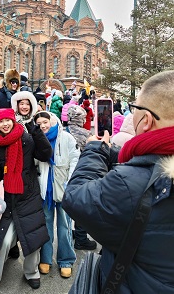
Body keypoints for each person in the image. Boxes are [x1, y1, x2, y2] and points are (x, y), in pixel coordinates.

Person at [62, 70, 174, 294]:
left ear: (146, 120)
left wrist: (94, 150)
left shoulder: (129, 185)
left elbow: (76, 197)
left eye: (135, 109)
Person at [0, 108, 52, 294]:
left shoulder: (26, 138)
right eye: (1, 121)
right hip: (5, 197)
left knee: (32, 236)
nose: (5, 124)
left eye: (8, 120)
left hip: (27, 195)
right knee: (2, 241)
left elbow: (45, 154)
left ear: (13, 120)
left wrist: (35, 130)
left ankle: (31, 272)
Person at [34, 111, 79, 278]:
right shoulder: (37, 139)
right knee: (45, 224)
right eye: (39, 123)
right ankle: (45, 258)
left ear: (52, 121)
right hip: (45, 189)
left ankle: (66, 259)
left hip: (63, 187)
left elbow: (75, 158)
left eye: (45, 122)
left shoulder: (66, 137)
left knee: (65, 224)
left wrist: (71, 181)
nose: (43, 126)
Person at [66, 105, 97, 251]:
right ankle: (80, 238)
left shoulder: (63, 131)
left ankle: (69, 233)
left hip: (64, 174)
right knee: (82, 206)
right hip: (82, 174)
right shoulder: (86, 134)